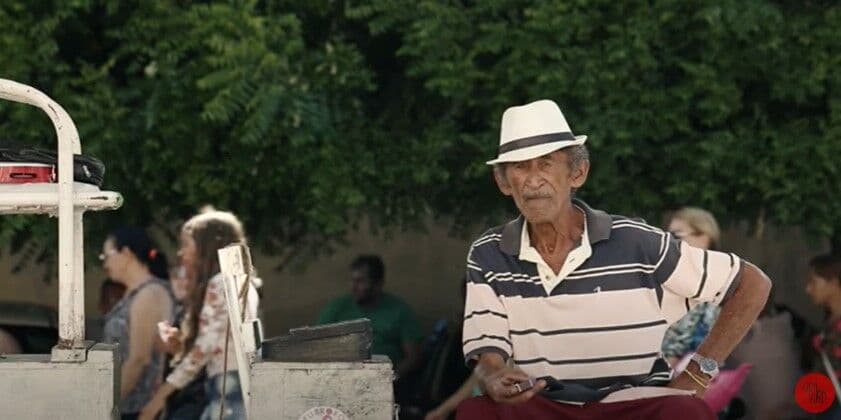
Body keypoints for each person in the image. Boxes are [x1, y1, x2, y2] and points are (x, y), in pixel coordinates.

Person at [457, 99, 771, 419]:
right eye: (520, 167)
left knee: (684, 410)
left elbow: (752, 283)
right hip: (544, 404)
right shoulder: (489, 253)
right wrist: (493, 377)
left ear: (577, 173)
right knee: (475, 412)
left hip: (632, 404)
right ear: (504, 182)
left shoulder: (638, 242)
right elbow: (488, 353)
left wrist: (699, 372)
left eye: (547, 163)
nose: (533, 180)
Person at [140, 210, 259, 420]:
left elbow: (206, 345)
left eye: (186, 244)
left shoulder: (220, 284)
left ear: (207, 245)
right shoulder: (238, 281)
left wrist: (160, 396)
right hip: (237, 382)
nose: (181, 253)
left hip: (228, 383)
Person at [318, 255, 424, 400]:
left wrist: (389, 377)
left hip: (385, 385)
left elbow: (414, 357)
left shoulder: (399, 310)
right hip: (340, 382)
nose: (353, 287)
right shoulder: (337, 308)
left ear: (378, 284)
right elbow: (316, 346)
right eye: (352, 280)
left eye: (360, 281)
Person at [101, 227, 175, 420]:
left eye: (107, 255)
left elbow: (139, 359)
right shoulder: (135, 293)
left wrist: (106, 405)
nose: (105, 263)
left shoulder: (148, 294)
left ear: (126, 253)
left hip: (137, 409)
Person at [661, 207, 722, 365]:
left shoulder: (712, 285)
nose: (669, 241)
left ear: (703, 236)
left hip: (686, 375)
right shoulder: (666, 275)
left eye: (676, 235)